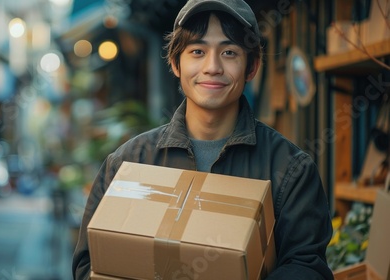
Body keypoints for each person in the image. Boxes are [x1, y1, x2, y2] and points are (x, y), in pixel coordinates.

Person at [72, 0, 334, 279]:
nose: (212, 67)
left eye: (229, 52)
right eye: (197, 51)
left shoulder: (290, 169)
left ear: (252, 67)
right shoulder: (127, 164)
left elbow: (307, 266)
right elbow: (88, 265)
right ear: (175, 63)